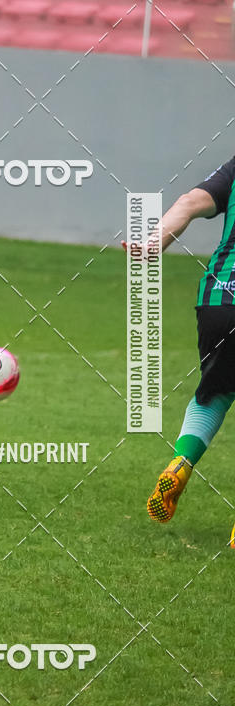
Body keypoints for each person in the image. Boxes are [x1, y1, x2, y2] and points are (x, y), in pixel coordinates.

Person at [124, 158, 235, 529]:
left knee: (216, 392)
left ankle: (181, 462)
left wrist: (154, 244)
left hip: (219, 299)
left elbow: (188, 203)